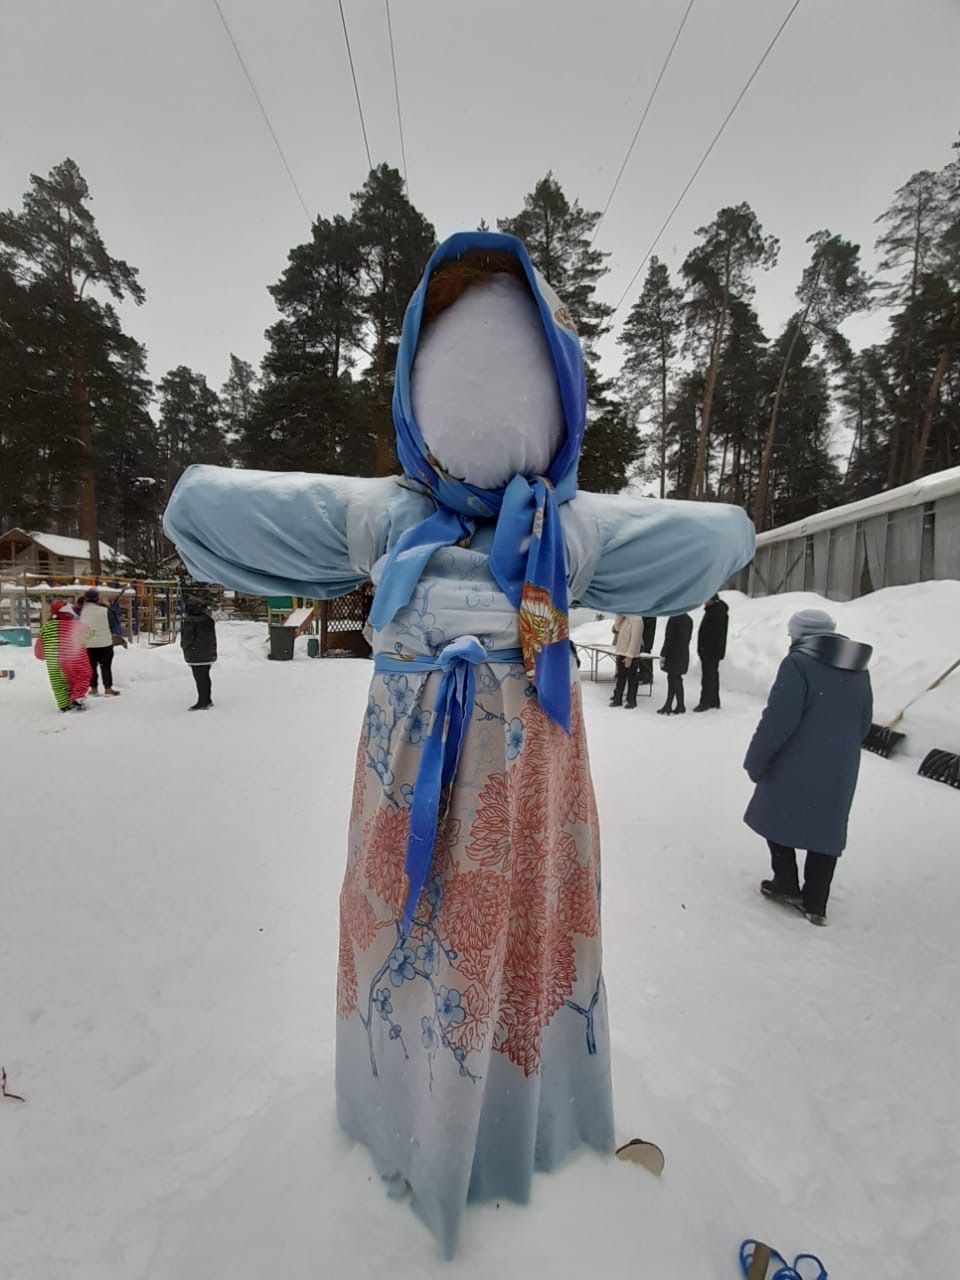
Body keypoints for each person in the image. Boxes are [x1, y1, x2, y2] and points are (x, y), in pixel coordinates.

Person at [162, 230, 755, 1257]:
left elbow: (713, 537)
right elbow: (219, 513)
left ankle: (525, 1143)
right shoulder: (399, 522)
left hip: (526, 794)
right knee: (410, 946)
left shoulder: (564, 532)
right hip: (419, 795)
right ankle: (399, 1135)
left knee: (518, 940)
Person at [743, 609, 873, 926]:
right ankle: (816, 902)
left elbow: (778, 719)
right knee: (827, 827)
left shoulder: (798, 663)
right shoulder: (857, 666)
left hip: (796, 758)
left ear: (800, 635)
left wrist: (756, 758)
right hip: (841, 762)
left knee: (776, 813)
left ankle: (786, 882)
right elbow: (864, 720)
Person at [34, 600, 90, 712]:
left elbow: (39, 651)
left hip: (54, 663)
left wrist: (42, 655)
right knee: (82, 676)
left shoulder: (46, 627)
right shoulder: (78, 625)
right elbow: (89, 636)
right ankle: (78, 697)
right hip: (74, 660)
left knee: (58, 682)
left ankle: (64, 704)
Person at [79, 588, 120, 696]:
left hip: (88, 644)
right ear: (97, 598)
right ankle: (108, 688)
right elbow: (113, 624)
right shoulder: (105, 610)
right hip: (104, 644)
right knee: (106, 666)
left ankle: (93, 689)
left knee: (91, 667)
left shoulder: (81, 611)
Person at [180, 597, 217, 710]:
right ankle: (207, 699)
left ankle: (202, 701)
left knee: (200, 678)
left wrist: (185, 647)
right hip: (209, 653)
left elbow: (187, 639)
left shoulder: (189, 621)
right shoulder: (208, 619)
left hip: (195, 653)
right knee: (205, 677)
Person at [694, 594, 729, 712]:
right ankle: (714, 700)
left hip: (710, 651)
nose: (704, 602)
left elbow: (713, 635)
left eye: (707, 599)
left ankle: (705, 702)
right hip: (711, 651)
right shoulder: (716, 611)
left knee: (708, 677)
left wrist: (704, 649)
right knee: (713, 676)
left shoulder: (716, 613)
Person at [658, 612, 693, 715]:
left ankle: (674, 705)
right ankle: (674, 705)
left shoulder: (674, 618)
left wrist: (663, 653)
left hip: (673, 653)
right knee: (676, 678)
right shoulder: (688, 619)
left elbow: (669, 638)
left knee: (673, 679)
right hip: (683, 652)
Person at [609, 614, 646, 708]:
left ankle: (632, 700)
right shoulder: (625, 618)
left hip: (631, 654)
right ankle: (618, 698)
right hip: (621, 652)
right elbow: (617, 628)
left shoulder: (637, 619)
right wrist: (619, 615)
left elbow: (635, 640)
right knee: (620, 676)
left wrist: (630, 656)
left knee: (632, 678)